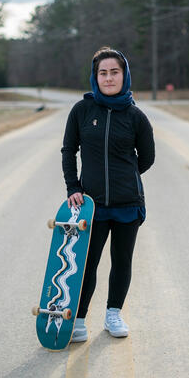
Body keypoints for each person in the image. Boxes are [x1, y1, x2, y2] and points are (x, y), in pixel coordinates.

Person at [61, 47, 155, 342]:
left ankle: (113, 314)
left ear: (124, 75)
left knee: (122, 261)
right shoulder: (82, 111)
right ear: (95, 76)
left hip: (128, 204)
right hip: (92, 205)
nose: (109, 77)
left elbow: (147, 158)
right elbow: (69, 151)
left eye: (115, 72)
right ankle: (78, 318)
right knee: (87, 263)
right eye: (103, 72)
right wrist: (74, 188)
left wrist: (124, 177)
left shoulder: (135, 116)